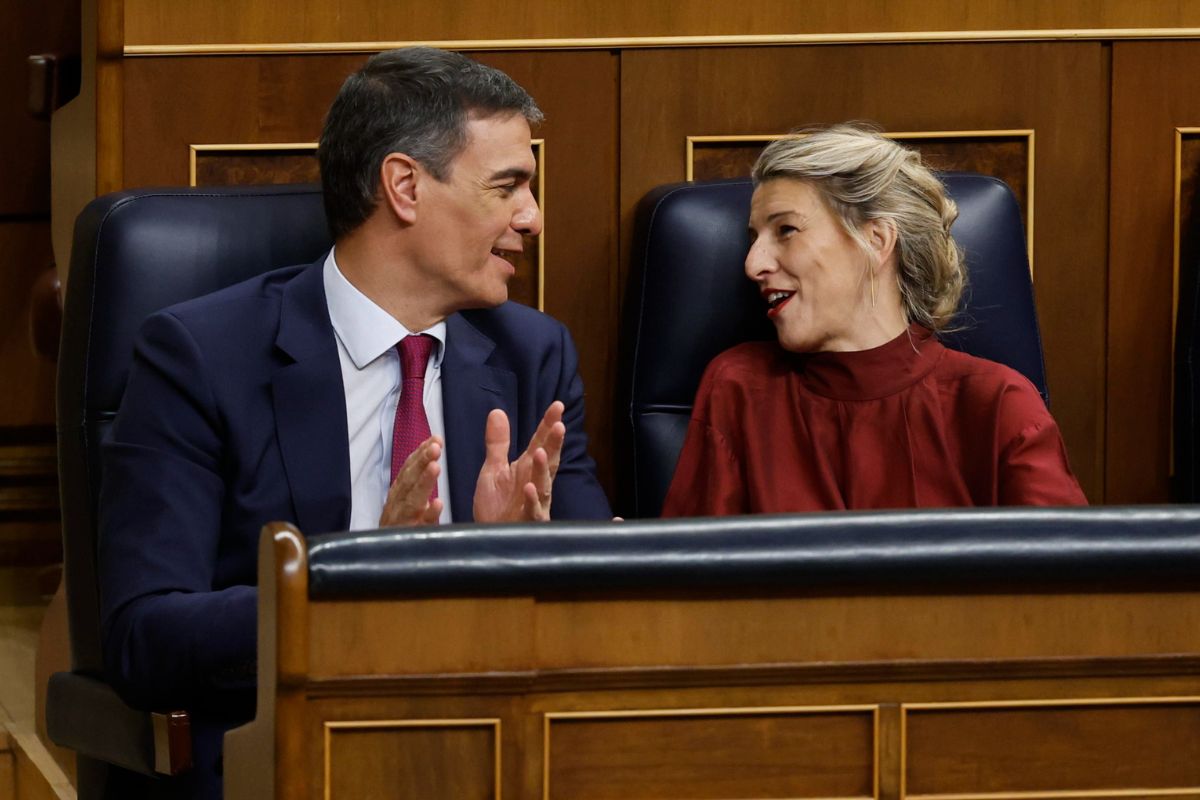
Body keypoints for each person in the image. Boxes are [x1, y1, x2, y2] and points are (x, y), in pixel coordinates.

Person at [97, 47, 611, 797]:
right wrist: (354, 572)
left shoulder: (534, 356)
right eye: (508, 187)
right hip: (292, 757)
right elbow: (145, 638)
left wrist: (511, 552)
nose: (532, 218)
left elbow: (600, 612)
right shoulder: (202, 356)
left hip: (498, 750)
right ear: (404, 186)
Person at [662, 124, 1086, 516]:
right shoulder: (738, 387)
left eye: (786, 230)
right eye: (754, 239)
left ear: (877, 240)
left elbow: (1070, 587)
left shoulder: (999, 404)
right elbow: (686, 582)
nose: (753, 264)